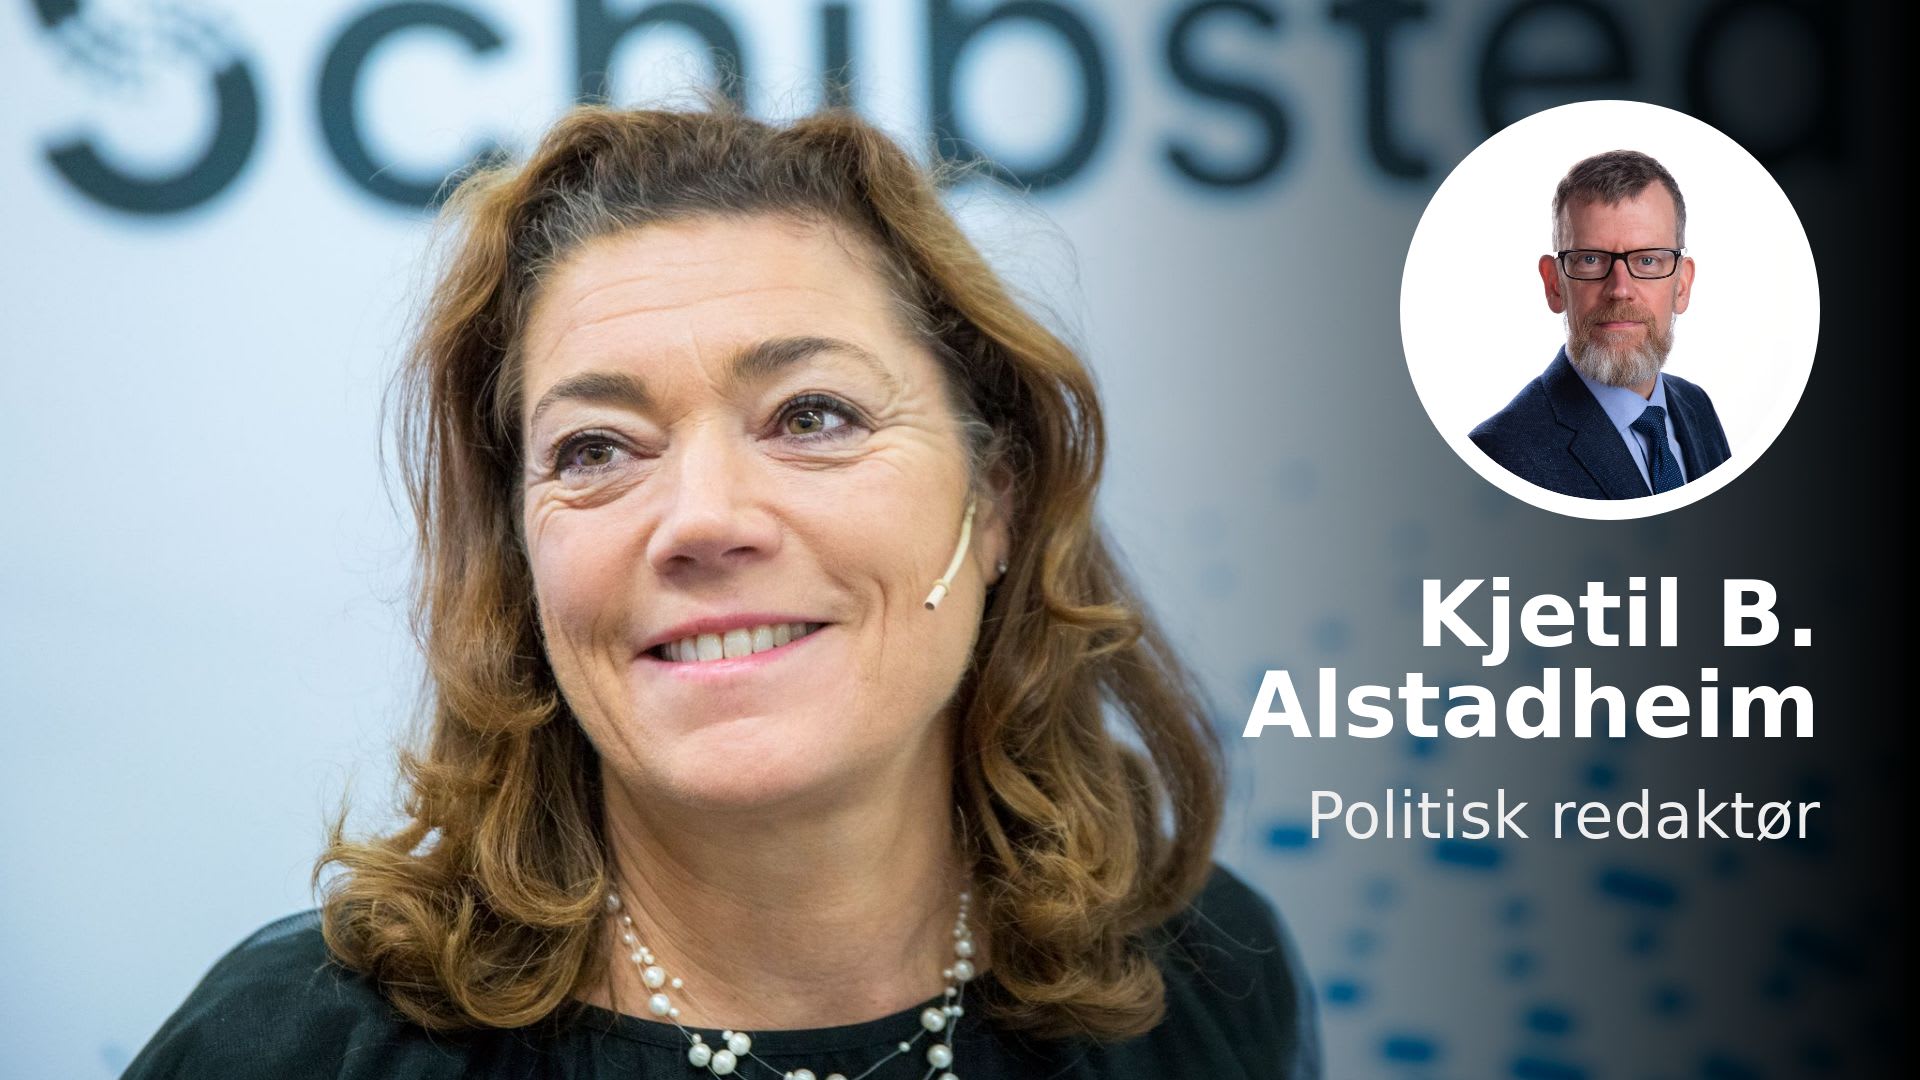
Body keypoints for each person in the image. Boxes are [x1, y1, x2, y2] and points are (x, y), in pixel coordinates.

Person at [122, 102, 1321, 1079]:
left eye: (814, 416)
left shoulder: (1206, 981)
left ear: (995, 499)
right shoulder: (289, 1053)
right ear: (521, 556)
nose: (702, 520)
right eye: (595, 449)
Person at [1470, 149, 1730, 499]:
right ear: (1554, 285)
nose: (1620, 290)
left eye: (1648, 260)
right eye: (1590, 259)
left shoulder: (1696, 406)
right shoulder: (1500, 456)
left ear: (1681, 286)